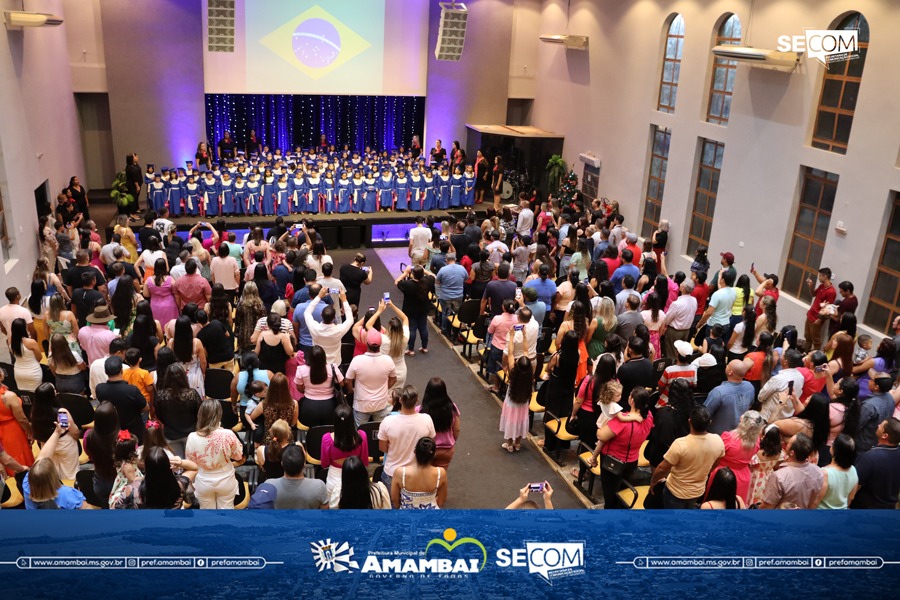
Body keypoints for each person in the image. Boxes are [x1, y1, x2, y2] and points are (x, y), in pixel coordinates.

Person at [588, 387, 655, 509]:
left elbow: (601, 435)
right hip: (632, 460)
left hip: (613, 462)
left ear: (632, 400)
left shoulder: (621, 421)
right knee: (623, 488)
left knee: (610, 492)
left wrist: (601, 424)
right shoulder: (648, 416)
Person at [650, 406, 725, 508]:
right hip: (698, 491)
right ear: (709, 422)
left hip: (675, 492)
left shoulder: (680, 444)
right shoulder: (718, 441)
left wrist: (653, 481)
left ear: (689, 421)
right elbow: (715, 464)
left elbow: (662, 468)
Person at [185, 399, 245, 509]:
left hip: (203, 480)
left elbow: (191, 463)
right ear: (219, 415)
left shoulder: (192, 437)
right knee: (227, 512)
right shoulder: (228, 434)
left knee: (207, 515)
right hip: (226, 479)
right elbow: (238, 456)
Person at [377, 385, 435, 491]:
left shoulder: (387, 421)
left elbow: (383, 448)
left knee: (392, 505)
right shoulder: (427, 419)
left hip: (392, 473)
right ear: (417, 400)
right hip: (417, 473)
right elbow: (430, 443)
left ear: (400, 400)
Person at [706, 410, 765, 504]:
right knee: (735, 504)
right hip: (743, 477)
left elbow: (717, 453)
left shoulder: (729, 438)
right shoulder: (756, 442)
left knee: (715, 503)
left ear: (743, 422)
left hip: (723, 475)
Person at [23, 421, 85, 509]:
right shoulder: (68, 495)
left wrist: (57, 432)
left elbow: (43, 455)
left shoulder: (27, 486)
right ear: (53, 476)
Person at [249, 444, 328, 509]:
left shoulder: (269, 485)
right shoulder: (319, 486)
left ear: (282, 464)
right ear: (304, 465)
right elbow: (325, 513)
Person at [760, 433, 823, 509]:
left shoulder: (779, 477)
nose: (786, 444)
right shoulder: (818, 471)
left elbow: (767, 507)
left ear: (792, 453)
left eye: (789, 443)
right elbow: (815, 501)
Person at [321, 404, 369, 505]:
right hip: (357, 476)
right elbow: (364, 461)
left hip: (334, 480)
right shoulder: (362, 436)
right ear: (352, 420)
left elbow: (324, 464)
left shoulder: (327, 439)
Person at [154, 363, 202, 458]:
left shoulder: (160, 396)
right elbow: (200, 413)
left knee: (179, 465)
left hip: (171, 434)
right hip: (191, 434)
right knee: (193, 463)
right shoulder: (192, 394)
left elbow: (159, 415)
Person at [851, 418, 900, 509]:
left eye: (881, 426)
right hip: (889, 507)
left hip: (865, 509)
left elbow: (855, 485)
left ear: (885, 435)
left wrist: (848, 502)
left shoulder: (869, 457)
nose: (878, 426)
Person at [96, 356, 147, 440]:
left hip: (112, 432)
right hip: (134, 433)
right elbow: (145, 408)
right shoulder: (132, 390)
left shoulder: (99, 389)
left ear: (105, 372)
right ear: (121, 371)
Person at [391, 436, 448, 509]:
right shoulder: (440, 473)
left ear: (415, 451)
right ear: (434, 454)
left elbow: (394, 499)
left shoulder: (400, 473)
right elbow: (441, 500)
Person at [294, 345, 344, 428]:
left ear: (309, 357)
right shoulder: (332, 368)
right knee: (328, 430)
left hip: (308, 407)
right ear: (324, 357)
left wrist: (307, 391)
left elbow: (299, 387)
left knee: (312, 430)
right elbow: (341, 383)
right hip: (330, 406)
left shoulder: (301, 369)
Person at [305, 288, 354, 366]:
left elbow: (307, 312)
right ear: (334, 317)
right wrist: (344, 300)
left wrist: (319, 296)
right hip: (334, 365)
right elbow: (350, 319)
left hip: (317, 363)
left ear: (321, 315)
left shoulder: (315, 328)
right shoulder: (339, 330)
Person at [704, 360, 754, 434]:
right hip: (739, 434)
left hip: (720, 435)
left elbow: (705, 413)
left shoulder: (718, 392)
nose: (726, 365)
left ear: (730, 372)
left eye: (728, 365)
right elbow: (750, 405)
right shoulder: (750, 387)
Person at [249, 373, 298, 444]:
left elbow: (252, 417)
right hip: (286, 438)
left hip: (269, 439)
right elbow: (293, 423)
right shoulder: (294, 404)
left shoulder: (263, 404)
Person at [396, 265, 434, 355]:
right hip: (423, 309)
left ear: (412, 274)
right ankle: (424, 347)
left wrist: (405, 272)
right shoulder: (427, 282)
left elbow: (397, 282)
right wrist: (424, 270)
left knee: (412, 329)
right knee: (423, 328)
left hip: (410, 310)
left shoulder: (408, 284)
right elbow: (433, 276)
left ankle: (411, 349)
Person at [0, 369, 33, 472]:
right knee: (21, 461)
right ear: (1, 376)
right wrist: (30, 432)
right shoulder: (9, 396)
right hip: (13, 433)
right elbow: (22, 419)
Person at [499, 353, 533, 453]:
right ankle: (517, 443)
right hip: (523, 403)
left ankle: (509, 444)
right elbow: (526, 353)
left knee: (511, 421)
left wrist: (512, 337)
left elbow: (510, 354)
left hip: (512, 404)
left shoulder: (513, 374)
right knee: (520, 421)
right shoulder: (529, 376)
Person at [814, 433, 858, 509]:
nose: (831, 443)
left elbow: (816, 501)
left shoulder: (825, 473)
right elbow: (851, 497)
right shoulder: (853, 470)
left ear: (836, 450)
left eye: (833, 443)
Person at [167, 315, 207, 396]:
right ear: (189, 328)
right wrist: (203, 374)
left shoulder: (171, 342)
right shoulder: (197, 342)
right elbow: (203, 362)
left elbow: (169, 361)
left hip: (178, 375)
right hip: (194, 376)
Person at [434, 252, 467, 337]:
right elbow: (466, 279)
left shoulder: (443, 270)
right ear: (455, 259)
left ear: (446, 260)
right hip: (459, 295)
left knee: (446, 313)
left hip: (445, 296)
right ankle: (455, 331)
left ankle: (445, 330)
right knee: (456, 313)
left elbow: (437, 281)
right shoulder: (462, 268)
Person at [804, 267, 836, 352]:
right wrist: (811, 287)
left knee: (816, 340)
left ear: (825, 276)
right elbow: (813, 294)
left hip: (817, 318)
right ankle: (805, 353)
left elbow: (828, 309)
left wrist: (819, 319)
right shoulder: (821, 286)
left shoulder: (831, 292)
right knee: (807, 336)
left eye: (820, 276)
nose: (818, 277)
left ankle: (814, 357)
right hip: (810, 314)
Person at [9, 318, 43, 392]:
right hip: (33, 372)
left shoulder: (10, 342)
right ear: (24, 329)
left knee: (24, 396)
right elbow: (39, 358)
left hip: (18, 372)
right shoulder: (31, 342)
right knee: (37, 395)